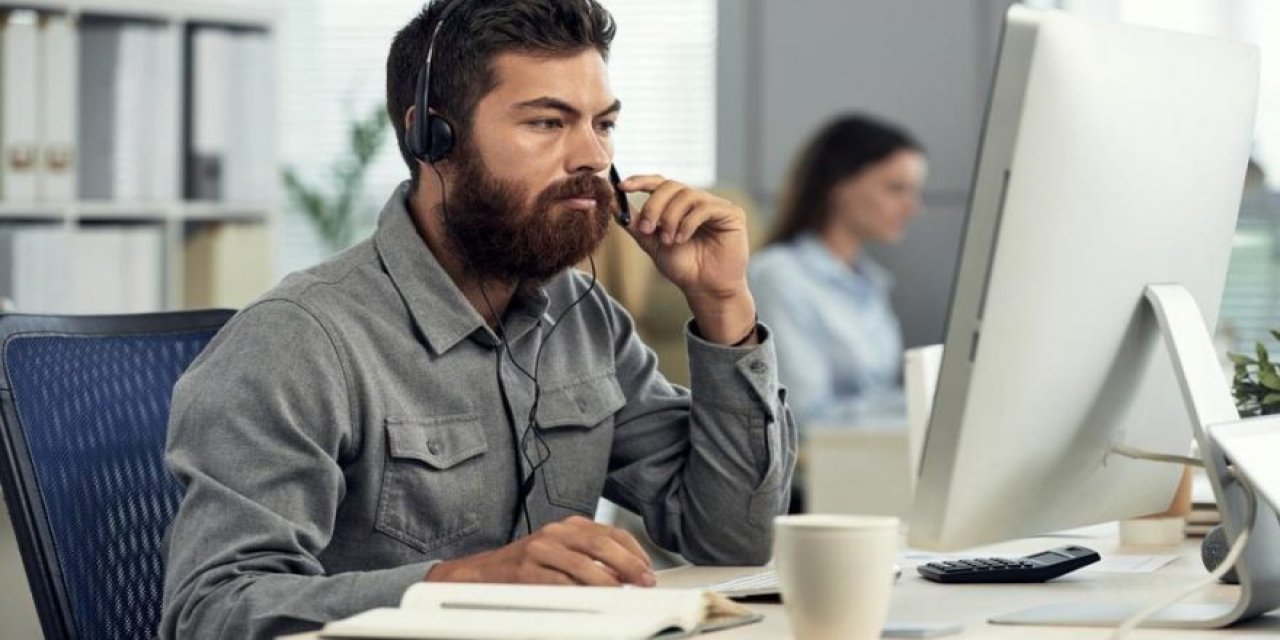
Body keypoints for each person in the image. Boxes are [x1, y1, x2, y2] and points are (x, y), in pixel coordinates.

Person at [159, 1, 796, 637]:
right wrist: (467, 582)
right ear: (433, 136)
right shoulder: (298, 340)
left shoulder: (582, 317)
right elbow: (210, 611)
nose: (592, 156)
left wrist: (722, 304)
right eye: (548, 122)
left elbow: (731, 538)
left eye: (603, 124)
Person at [749, 114, 926, 431]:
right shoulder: (778, 276)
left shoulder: (870, 280)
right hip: (816, 470)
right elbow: (803, 418)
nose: (912, 207)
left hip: (867, 458)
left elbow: (877, 394)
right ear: (840, 185)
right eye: (896, 189)